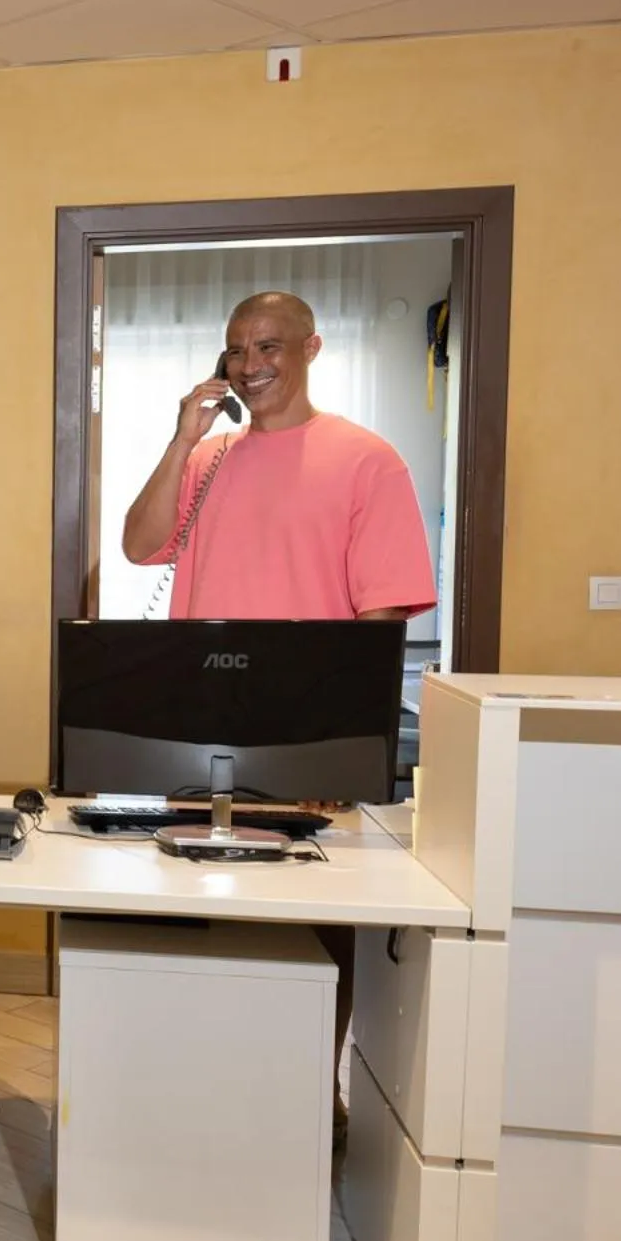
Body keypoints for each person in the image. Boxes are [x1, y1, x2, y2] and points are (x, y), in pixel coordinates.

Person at [123, 290, 437, 1146]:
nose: (250, 364)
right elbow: (140, 545)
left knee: (315, 923)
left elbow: (382, 626)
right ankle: (212, 1078)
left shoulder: (368, 461)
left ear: (310, 348)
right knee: (199, 900)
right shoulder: (212, 458)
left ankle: (313, 1088)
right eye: (235, 350)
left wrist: (345, 751)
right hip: (200, 727)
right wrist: (183, 436)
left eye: (267, 346)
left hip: (308, 736)